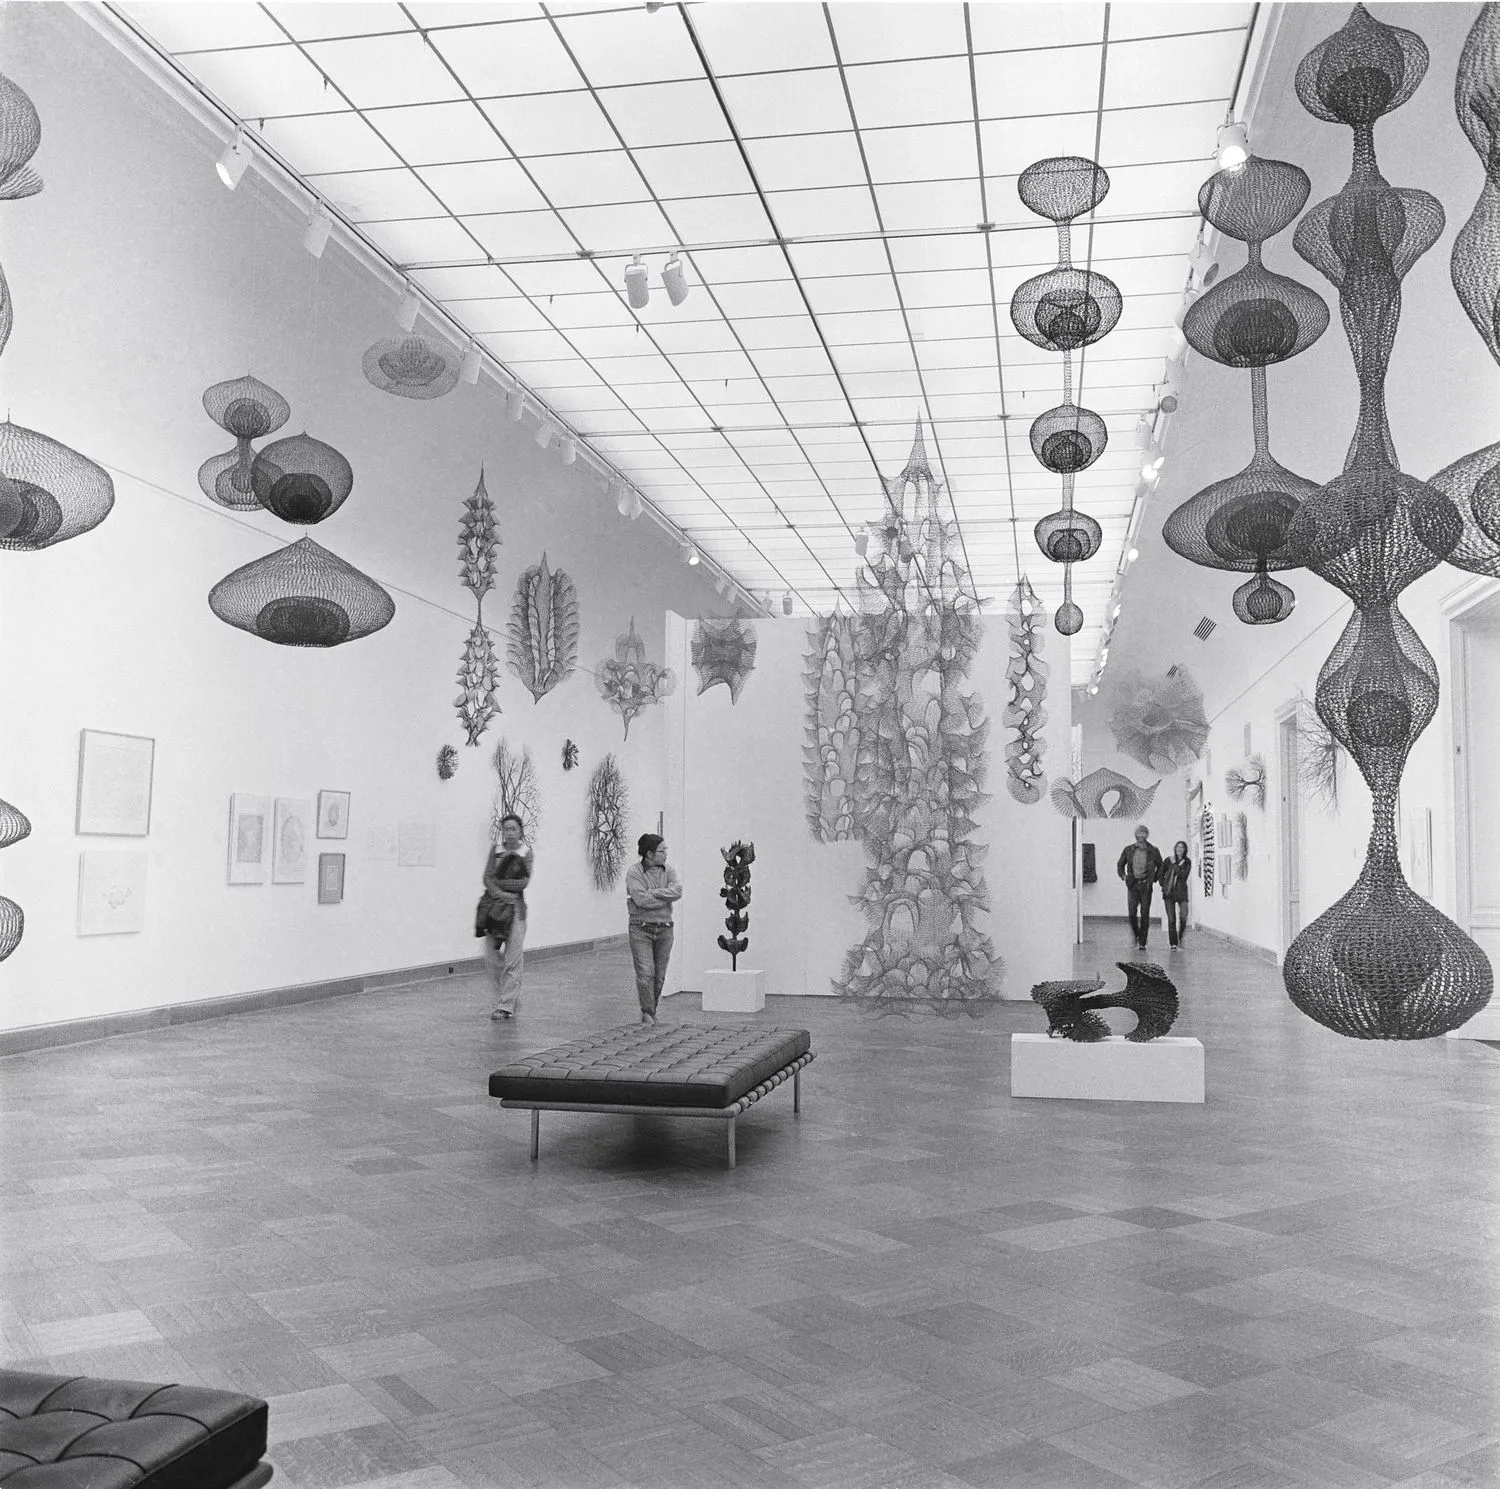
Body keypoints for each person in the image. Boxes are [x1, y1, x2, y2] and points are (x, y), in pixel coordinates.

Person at [625, 833, 681, 1024]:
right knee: (645, 973)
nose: (665, 853)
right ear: (649, 854)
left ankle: (652, 1011)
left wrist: (654, 893)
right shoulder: (634, 872)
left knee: (659, 976)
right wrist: (664, 899)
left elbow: (678, 891)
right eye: (662, 850)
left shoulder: (669, 870)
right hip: (641, 929)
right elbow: (640, 899)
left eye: (666, 850)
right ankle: (647, 1012)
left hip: (665, 929)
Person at [484, 813, 533, 1020]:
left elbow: (522, 882)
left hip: (516, 912)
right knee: (491, 958)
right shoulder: (495, 851)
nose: (510, 833)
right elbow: (487, 878)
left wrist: (498, 883)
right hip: (495, 911)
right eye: (506, 829)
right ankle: (509, 995)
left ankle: (505, 1005)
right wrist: (502, 893)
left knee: (513, 958)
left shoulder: (525, 852)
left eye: (514, 828)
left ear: (520, 831)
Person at [1117, 824, 1163, 952]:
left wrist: (1154, 879)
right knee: (1132, 914)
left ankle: (1142, 942)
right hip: (1132, 885)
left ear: (1147, 835)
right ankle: (1137, 936)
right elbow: (1120, 864)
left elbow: (1161, 866)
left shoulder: (1153, 850)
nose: (1141, 836)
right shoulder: (1129, 849)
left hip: (1145, 885)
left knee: (1144, 914)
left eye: (1143, 833)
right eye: (1139, 833)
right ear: (1136, 835)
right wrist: (1123, 876)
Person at [1159, 839, 1192, 952]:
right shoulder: (1168, 860)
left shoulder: (1187, 862)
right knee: (1171, 919)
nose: (1179, 849)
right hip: (1169, 893)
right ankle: (1173, 944)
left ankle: (1180, 937)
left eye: (1182, 847)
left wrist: (1175, 865)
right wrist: (1163, 885)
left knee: (1183, 916)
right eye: (1177, 847)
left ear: (1185, 850)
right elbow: (1161, 873)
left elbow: (1183, 875)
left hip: (1181, 893)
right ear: (1175, 848)